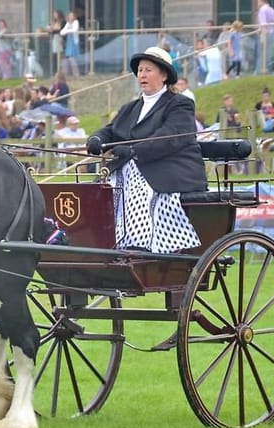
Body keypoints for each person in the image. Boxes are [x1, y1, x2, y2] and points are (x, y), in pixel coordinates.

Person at [86, 46, 206, 253]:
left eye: (148, 70)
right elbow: (111, 131)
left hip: (167, 172)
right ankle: (100, 244)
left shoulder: (180, 105)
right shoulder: (130, 108)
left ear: (164, 74)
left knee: (134, 187)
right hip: (128, 169)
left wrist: (133, 150)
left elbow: (168, 138)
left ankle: (136, 244)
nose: (142, 74)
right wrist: (96, 139)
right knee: (97, 192)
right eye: (140, 70)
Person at [255, 0, 274, 73]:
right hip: (272, 35)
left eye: (258, 1)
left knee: (261, 55)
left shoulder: (262, 10)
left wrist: (263, 37)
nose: (257, 3)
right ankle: (269, 71)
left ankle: (260, 72)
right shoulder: (273, 10)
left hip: (265, 35)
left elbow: (263, 25)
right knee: (269, 55)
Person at [59, 11, 80, 78]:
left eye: (72, 16)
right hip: (69, 42)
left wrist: (67, 31)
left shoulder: (76, 22)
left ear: (74, 17)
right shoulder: (68, 23)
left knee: (72, 58)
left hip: (74, 42)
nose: (70, 17)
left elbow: (74, 30)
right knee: (67, 58)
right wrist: (65, 31)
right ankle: (66, 74)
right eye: (69, 16)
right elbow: (62, 31)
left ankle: (76, 74)